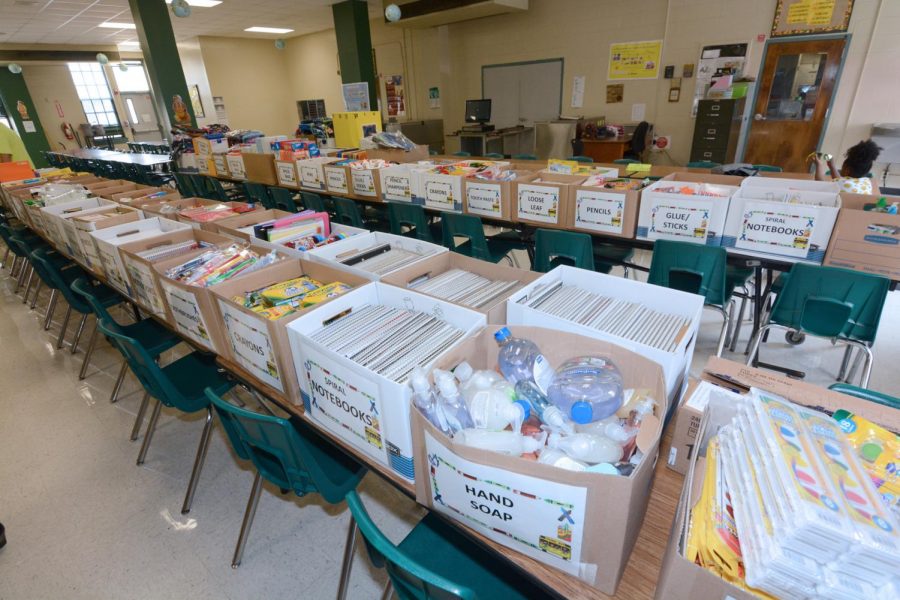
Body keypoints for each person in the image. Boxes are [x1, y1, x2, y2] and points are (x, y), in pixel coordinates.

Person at [813, 139, 881, 194]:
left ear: (847, 170)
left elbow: (820, 185)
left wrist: (819, 165)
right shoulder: (866, 182)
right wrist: (832, 166)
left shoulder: (839, 185)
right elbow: (840, 181)